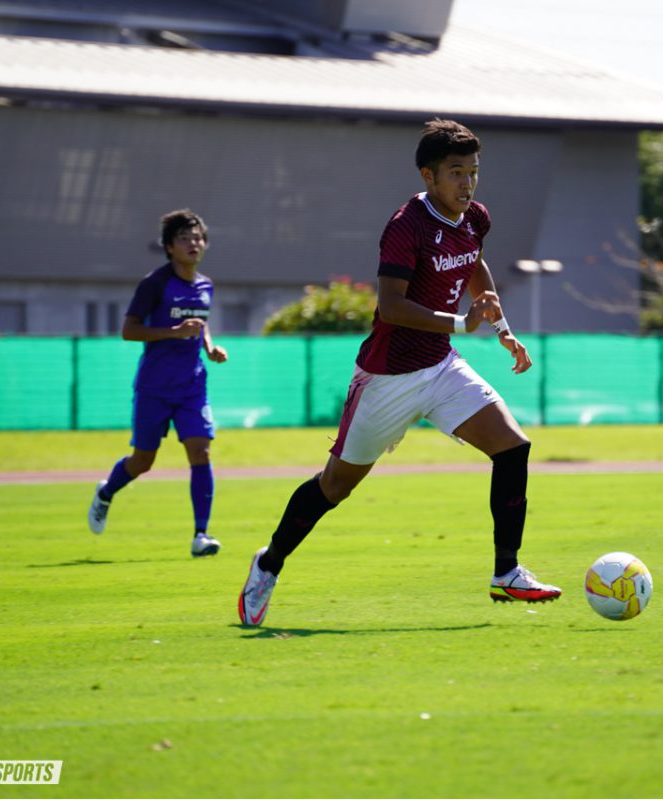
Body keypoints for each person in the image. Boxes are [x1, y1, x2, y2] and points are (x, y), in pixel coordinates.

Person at [238, 119, 561, 626]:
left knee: (513, 447)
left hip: (439, 365)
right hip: (387, 377)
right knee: (335, 486)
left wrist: (500, 325)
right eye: (456, 173)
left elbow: (472, 261)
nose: (467, 183)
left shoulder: (474, 216)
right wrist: (461, 321)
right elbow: (390, 307)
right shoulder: (405, 225)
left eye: (473, 172)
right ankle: (269, 564)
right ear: (428, 175)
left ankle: (507, 572)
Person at [87, 209, 228, 558]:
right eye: (184, 238)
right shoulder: (155, 284)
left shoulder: (206, 285)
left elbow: (200, 322)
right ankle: (106, 492)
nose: (193, 243)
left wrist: (209, 346)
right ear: (169, 247)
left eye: (197, 237)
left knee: (201, 451)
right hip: (154, 386)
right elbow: (128, 330)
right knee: (143, 461)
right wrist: (173, 332)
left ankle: (201, 535)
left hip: (192, 385)